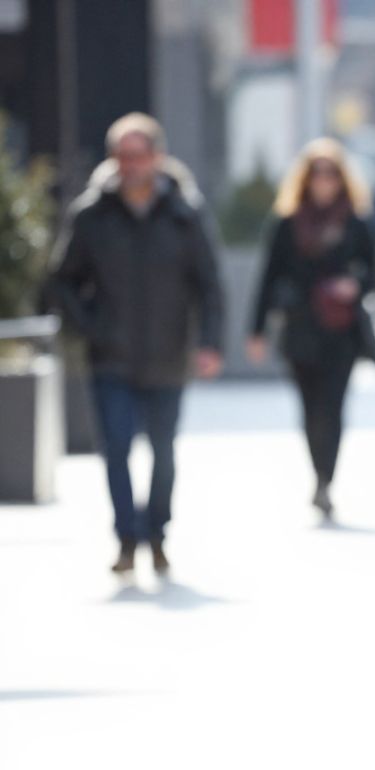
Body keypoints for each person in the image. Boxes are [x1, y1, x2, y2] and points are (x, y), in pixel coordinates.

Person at [47, 112, 223, 574]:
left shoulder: (185, 214)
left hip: (168, 354)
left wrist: (209, 343)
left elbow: (209, 285)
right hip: (110, 357)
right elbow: (63, 280)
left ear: (158, 157)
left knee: (163, 453)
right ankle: (126, 538)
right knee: (116, 450)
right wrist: (90, 326)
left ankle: (157, 533)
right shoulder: (91, 214)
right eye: (122, 155)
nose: (130, 164)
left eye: (139, 154)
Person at [248, 138, 374, 518]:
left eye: (331, 173)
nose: (324, 180)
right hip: (301, 327)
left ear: (341, 178)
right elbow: (268, 277)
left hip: (341, 329)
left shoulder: (355, 222)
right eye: (317, 173)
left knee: (332, 407)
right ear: (305, 178)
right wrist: (256, 330)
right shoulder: (287, 223)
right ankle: (318, 473)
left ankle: (325, 481)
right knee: (309, 407)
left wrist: (354, 284)